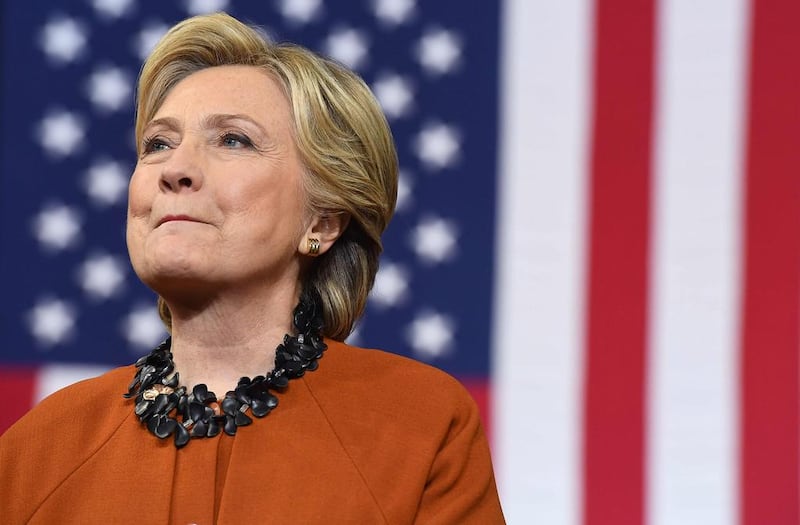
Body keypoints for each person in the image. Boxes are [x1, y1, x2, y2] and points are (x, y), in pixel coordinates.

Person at [0, 12, 504, 524]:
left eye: (233, 140)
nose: (174, 169)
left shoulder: (420, 425)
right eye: (158, 144)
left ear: (324, 221)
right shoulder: (38, 450)